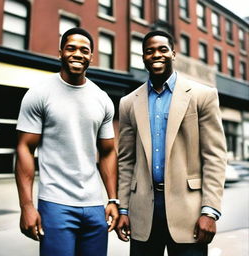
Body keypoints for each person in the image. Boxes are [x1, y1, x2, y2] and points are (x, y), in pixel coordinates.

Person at [116, 30, 227, 256]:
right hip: (143, 213)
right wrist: (124, 209)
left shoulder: (202, 95)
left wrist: (210, 211)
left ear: (173, 53)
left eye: (162, 49)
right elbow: (126, 161)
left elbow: (214, 156)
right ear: (143, 57)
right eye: (149, 51)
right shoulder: (128, 103)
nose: (156, 54)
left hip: (190, 214)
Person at [15, 27, 119, 256]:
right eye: (71, 48)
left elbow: (108, 151)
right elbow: (24, 147)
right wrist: (27, 206)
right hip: (55, 203)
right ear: (60, 52)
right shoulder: (39, 93)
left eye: (84, 50)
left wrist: (113, 199)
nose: (77, 54)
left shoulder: (102, 99)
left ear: (92, 56)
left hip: (94, 206)